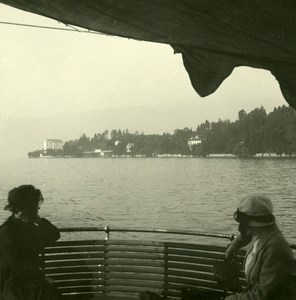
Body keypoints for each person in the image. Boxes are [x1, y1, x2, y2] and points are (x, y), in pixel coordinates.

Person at [225, 194, 296, 300]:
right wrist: (234, 245)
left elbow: (262, 295)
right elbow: (246, 235)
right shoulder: (261, 234)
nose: (242, 228)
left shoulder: (275, 249)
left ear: (255, 225)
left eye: (245, 224)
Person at [0, 184, 61, 300]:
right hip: (12, 286)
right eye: (34, 206)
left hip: (29, 282)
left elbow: (54, 235)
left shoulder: (29, 227)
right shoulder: (6, 232)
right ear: (24, 209)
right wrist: (42, 279)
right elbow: (17, 266)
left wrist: (40, 221)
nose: (38, 208)